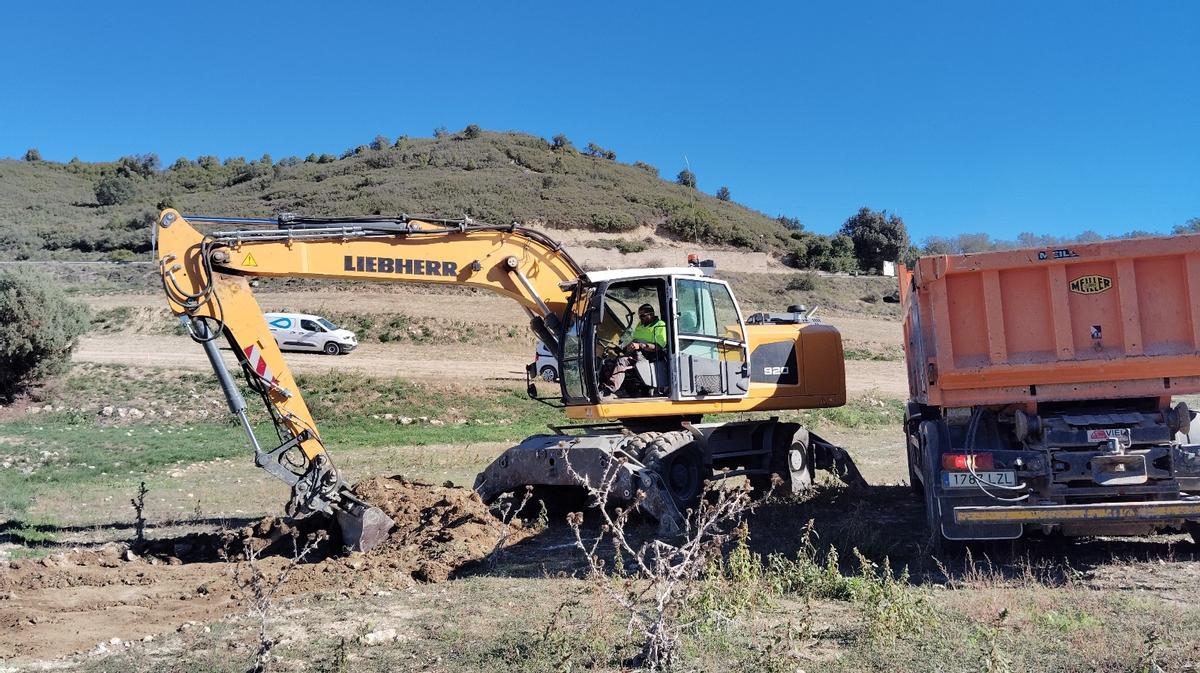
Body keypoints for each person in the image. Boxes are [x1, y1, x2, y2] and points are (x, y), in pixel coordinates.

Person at [600, 304, 667, 399]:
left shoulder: (660, 325)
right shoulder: (641, 325)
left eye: (643, 316)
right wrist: (625, 347)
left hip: (650, 355)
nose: (641, 318)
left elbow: (659, 346)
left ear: (651, 314)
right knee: (609, 361)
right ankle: (617, 389)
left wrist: (640, 346)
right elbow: (635, 339)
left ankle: (610, 390)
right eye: (639, 316)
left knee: (622, 361)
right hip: (636, 352)